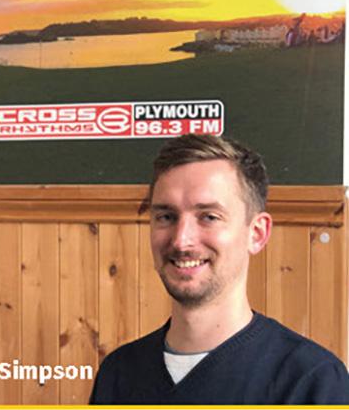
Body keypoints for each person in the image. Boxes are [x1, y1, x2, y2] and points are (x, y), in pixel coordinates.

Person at [89, 134, 349, 405]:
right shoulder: (118, 373)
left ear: (257, 233)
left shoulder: (311, 381)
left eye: (209, 217)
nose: (181, 240)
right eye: (166, 217)